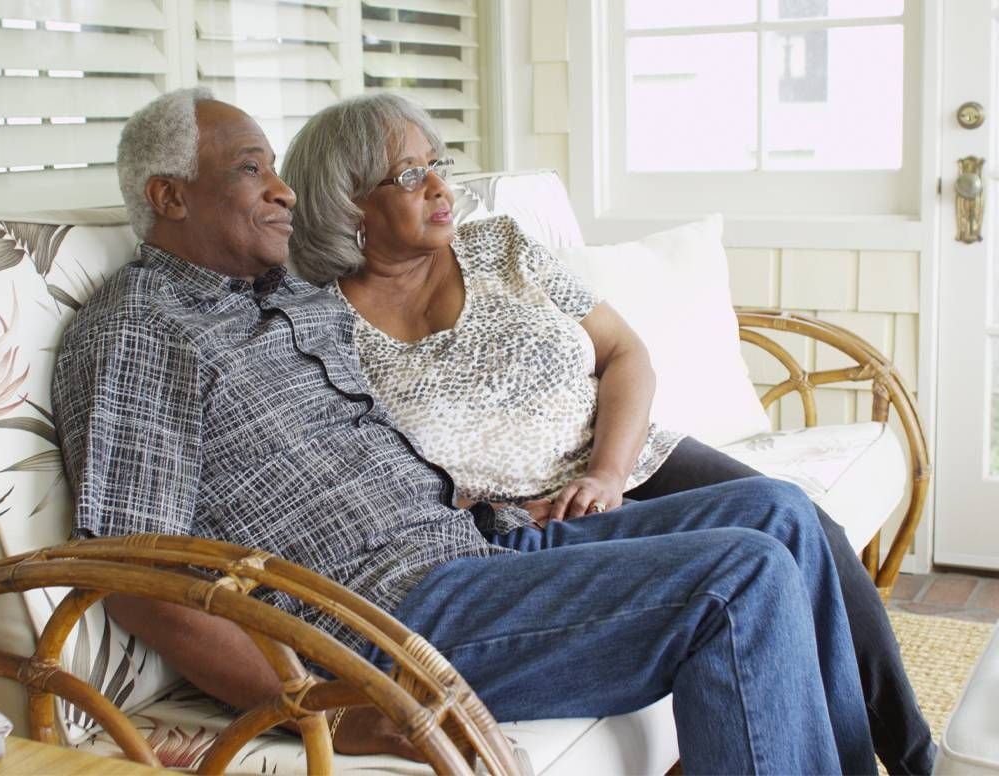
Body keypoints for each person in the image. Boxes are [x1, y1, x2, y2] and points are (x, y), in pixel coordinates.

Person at [52, 86, 877, 774]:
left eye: (276, 167)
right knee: (741, 576)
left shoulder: (284, 296)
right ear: (169, 196)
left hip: (484, 546)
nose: (284, 190)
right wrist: (327, 711)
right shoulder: (139, 329)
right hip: (392, 614)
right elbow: (137, 575)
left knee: (779, 515)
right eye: (250, 169)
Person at [280, 93, 933, 774]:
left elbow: (625, 353)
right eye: (410, 176)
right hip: (525, 521)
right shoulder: (320, 331)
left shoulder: (498, 247)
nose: (442, 186)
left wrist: (608, 472)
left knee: (798, 523)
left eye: (437, 163)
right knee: (749, 570)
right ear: (347, 202)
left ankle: (913, 759)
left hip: (629, 460)